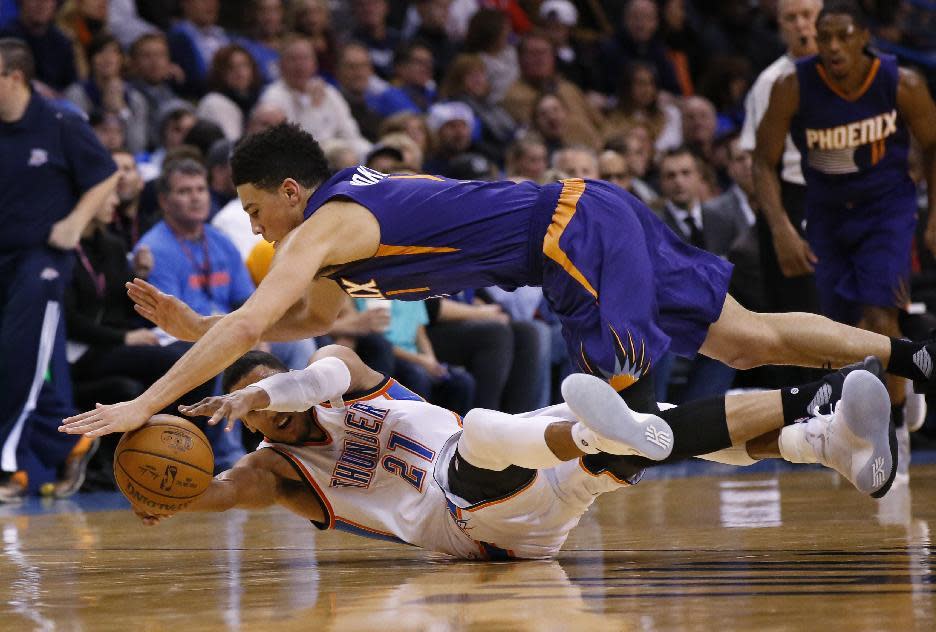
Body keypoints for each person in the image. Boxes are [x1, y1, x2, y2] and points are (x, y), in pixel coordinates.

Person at [58, 122, 935, 483]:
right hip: (589, 220)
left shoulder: (325, 226)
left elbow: (260, 321)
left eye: (253, 208)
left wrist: (144, 400)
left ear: (291, 191)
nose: (253, 225)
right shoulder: (325, 248)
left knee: (615, 420)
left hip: (570, 230)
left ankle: (818, 419)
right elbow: (297, 324)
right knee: (745, 337)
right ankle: (911, 355)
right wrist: (196, 326)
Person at [132, 345, 896, 560]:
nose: (277, 415)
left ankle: (819, 434)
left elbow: (325, 369)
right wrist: (150, 485)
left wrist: (266, 390)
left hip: (525, 494)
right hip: (467, 528)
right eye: (263, 412)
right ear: (259, 433)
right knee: (487, 432)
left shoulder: (343, 378)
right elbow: (215, 491)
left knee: (639, 426)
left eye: (277, 398)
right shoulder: (280, 472)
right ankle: (601, 435)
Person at [752, 0, 936, 475]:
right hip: (827, 215)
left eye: (842, 36)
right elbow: (762, 161)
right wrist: (781, 229)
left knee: (878, 316)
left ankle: (892, 434)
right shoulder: (792, 85)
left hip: (887, 210)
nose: (831, 46)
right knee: (836, 336)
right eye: (825, 35)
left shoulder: (903, 83)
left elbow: (933, 146)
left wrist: (934, 216)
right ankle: (877, 403)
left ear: (862, 38)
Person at [1, 38, 118, 501]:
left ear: (14, 76)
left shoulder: (59, 121)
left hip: (42, 261)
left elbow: (105, 172)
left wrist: (74, 222)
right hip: (4, 259)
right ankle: (71, 442)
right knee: (34, 362)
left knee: (17, 356)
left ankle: (10, 469)